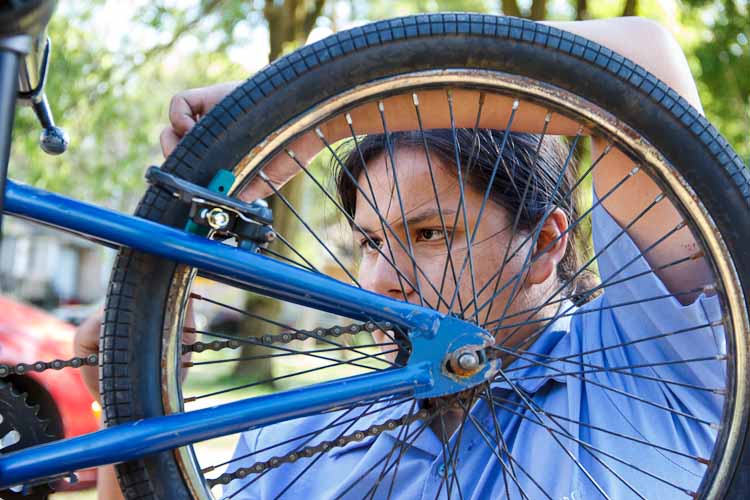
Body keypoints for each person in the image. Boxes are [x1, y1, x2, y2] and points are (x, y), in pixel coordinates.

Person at [74, 16, 721, 499]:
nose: (384, 279)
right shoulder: (296, 439)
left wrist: (301, 109)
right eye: (371, 242)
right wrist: (131, 401)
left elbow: (644, 65)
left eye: (431, 233)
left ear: (547, 244)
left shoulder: (655, 362)